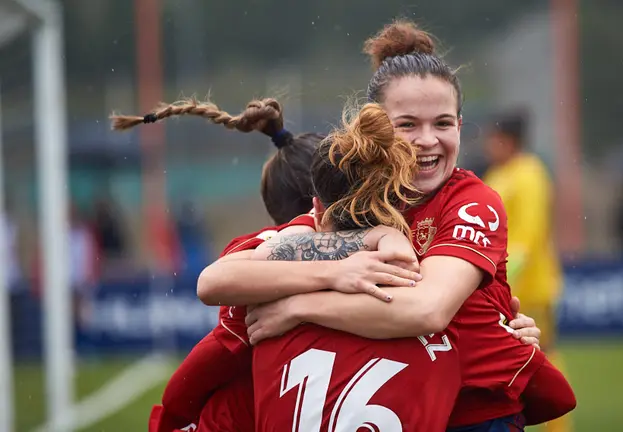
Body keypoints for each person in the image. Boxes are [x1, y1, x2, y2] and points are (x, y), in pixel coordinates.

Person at [200, 21, 574, 430]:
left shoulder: (473, 202)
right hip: (406, 412)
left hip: (474, 416)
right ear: (375, 129)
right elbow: (218, 281)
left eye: (444, 123)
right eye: (408, 125)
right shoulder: (352, 202)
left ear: (461, 128)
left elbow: (428, 310)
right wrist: (335, 271)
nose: (428, 140)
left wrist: (297, 306)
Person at [113, 97, 544, 431]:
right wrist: (501, 322)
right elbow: (543, 389)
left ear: (313, 210)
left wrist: (301, 303)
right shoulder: (414, 279)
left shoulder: (264, 274)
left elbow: (209, 314)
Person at [482, 109, 571, 432]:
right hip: (507, 286)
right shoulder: (498, 174)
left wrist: (500, 277)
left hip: (531, 286)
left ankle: (558, 427)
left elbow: (528, 237)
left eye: (493, 138)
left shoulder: (530, 174)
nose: (489, 145)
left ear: (508, 140)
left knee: (544, 353)